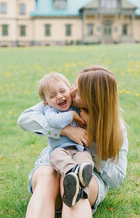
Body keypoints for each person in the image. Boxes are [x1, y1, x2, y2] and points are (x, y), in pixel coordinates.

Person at [18, 66, 128, 218]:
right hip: (53, 165)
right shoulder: (62, 102)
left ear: (92, 100)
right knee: (48, 176)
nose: (71, 92)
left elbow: (117, 180)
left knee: (76, 182)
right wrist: (64, 130)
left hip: (89, 176)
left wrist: (93, 141)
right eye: (74, 86)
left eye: (78, 92)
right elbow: (24, 119)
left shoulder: (117, 128)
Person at [37, 72, 94, 207]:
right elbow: (54, 122)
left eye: (63, 91)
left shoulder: (77, 106)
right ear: (46, 102)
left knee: (86, 162)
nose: (60, 96)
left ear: (69, 90)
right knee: (56, 157)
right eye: (52, 96)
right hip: (60, 150)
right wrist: (71, 115)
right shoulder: (51, 111)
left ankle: (79, 191)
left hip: (79, 149)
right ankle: (71, 174)